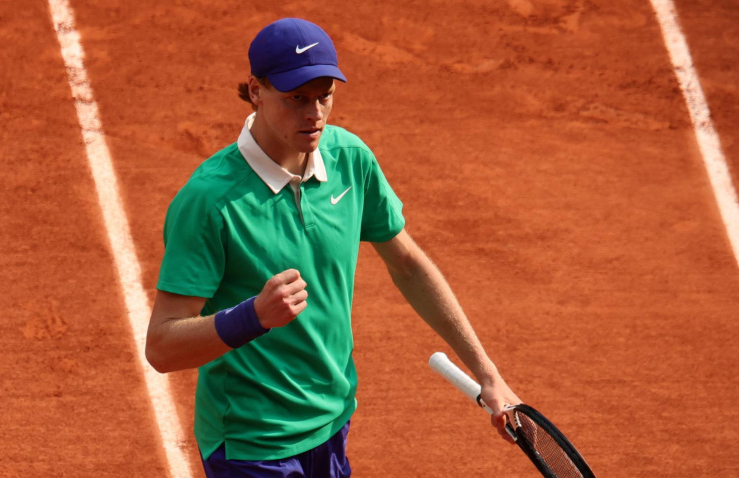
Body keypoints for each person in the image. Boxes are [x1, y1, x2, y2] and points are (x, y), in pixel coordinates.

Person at [145, 17, 520, 478]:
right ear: (256, 90)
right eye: (296, 98)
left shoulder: (350, 160)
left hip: (332, 423)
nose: (314, 113)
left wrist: (488, 373)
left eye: (325, 96)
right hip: (252, 442)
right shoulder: (209, 202)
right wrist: (253, 316)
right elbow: (161, 346)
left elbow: (407, 263)